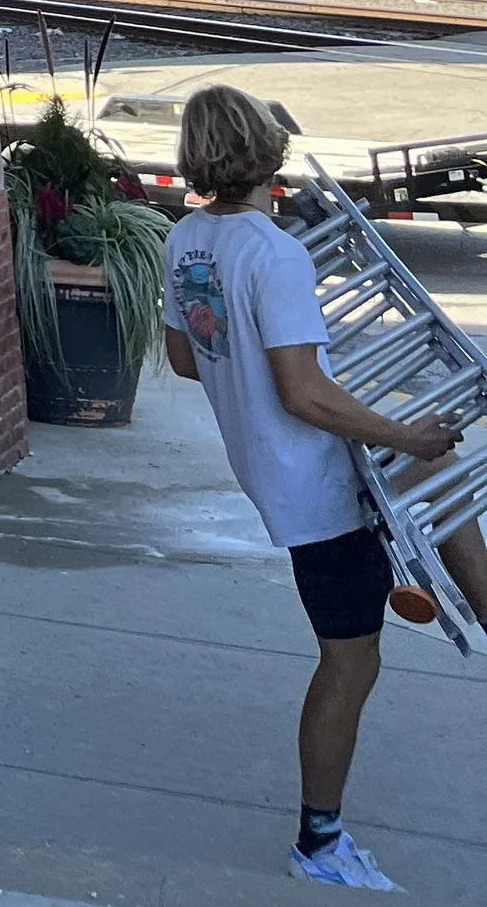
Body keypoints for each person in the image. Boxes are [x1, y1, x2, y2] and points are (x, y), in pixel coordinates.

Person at [160, 82, 486, 892]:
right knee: (349, 661)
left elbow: (180, 356)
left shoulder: (186, 243)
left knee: (437, 477)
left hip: (287, 476)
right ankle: (319, 842)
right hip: (321, 483)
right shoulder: (272, 252)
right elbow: (304, 392)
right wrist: (402, 429)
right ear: (264, 152)